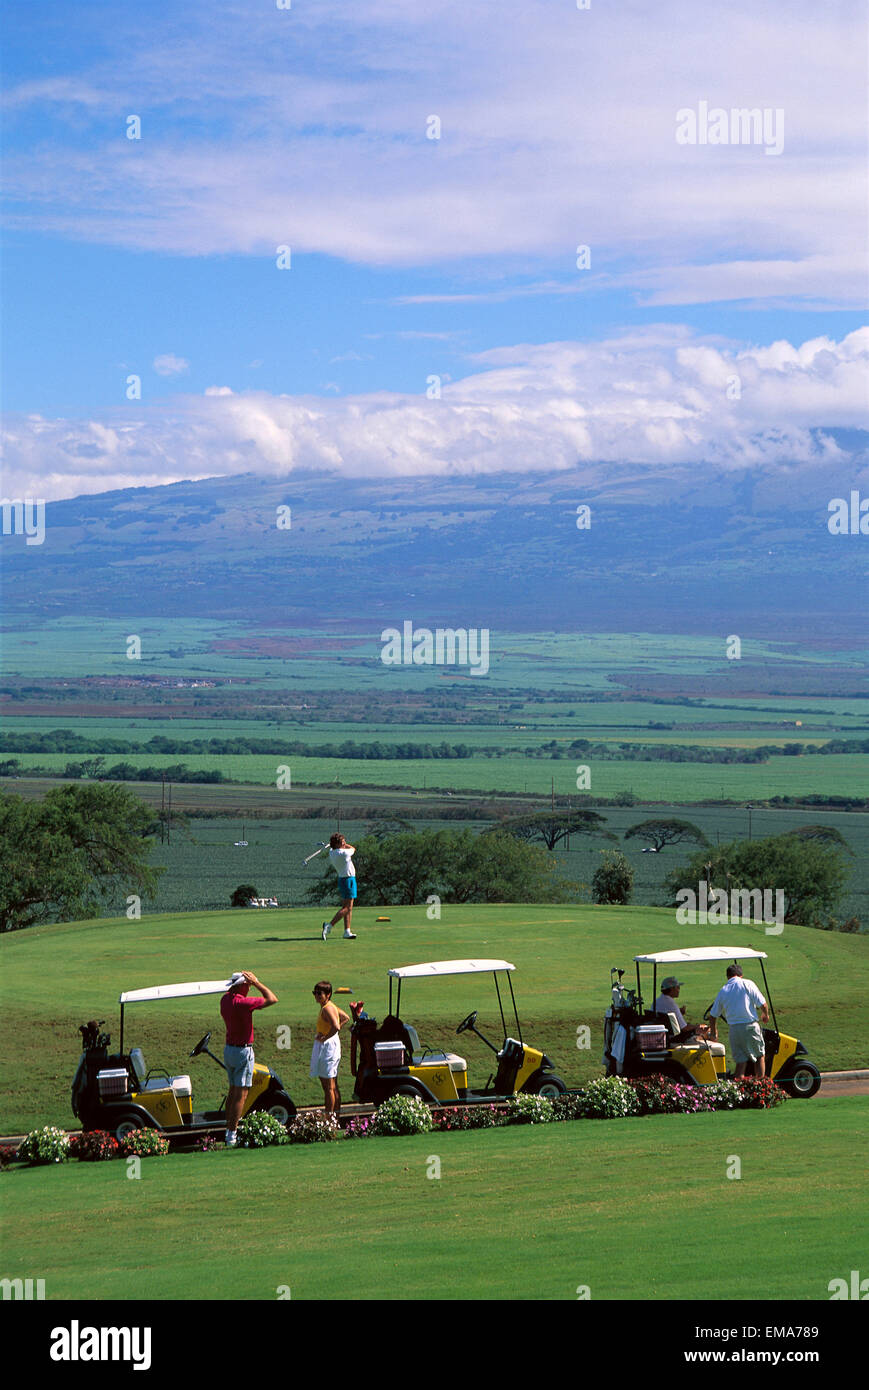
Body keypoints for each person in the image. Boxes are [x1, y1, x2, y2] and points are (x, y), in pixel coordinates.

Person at [220, 970, 278, 1146]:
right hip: (242, 1052)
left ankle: (228, 1128)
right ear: (242, 985)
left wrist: (249, 982)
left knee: (232, 1091)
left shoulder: (225, 1000)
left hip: (229, 1050)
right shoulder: (242, 1003)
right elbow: (272, 998)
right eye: (249, 985)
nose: (250, 988)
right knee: (241, 1094)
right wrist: (258, 983)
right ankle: (232, 1134)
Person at [707, 962, 769, 1078]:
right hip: (750, 1026)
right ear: (741, 975)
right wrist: (765, 1015)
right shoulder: (747, 984)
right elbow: (763, 1005)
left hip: (734, 1030)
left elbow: (713, 1015)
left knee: (741, 1062)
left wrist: (714, 1033)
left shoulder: (724, 990)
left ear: (728, 976)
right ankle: (761, 1086)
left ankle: (740, 1092)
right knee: (760, 1056)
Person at [310, 981, 350, 1117]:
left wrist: (326, 1037)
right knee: (333, 1085)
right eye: (314, 993)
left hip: (328, 1049)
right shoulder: (329, 1006)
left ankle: (329, 1120)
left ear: (328, 994)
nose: (316, 996)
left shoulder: (327, 1008)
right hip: (332, 1046)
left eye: (319, 993)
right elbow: (345, 1017)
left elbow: (336, 1026)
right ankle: (335, 1117)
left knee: (328, 1087)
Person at [322, 832, 357, 939]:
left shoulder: (332, 853)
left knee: (346, 907)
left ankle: (347, 931)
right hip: (348, 880)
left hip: (342, 880)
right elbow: (353, 848)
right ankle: (329, 925)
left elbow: (333, 849)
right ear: (337, 844)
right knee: (348, 908)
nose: (345, 843)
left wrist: (335, 844)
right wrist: (345, 845)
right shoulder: (344, 853)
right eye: (343, 841)